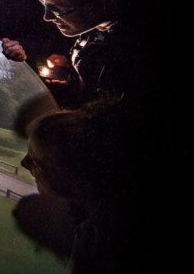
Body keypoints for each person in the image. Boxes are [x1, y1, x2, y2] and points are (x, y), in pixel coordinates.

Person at [1, 0, 147, 108]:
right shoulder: (96, 29)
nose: (47, 17)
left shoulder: (130, 61)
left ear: (109, 3)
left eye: (58, 9)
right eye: (43, 3)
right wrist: (67, 77)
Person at [14, 96, 148, 273]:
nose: (24, 163)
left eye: (37, 162)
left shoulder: (106, 242)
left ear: (78, 180)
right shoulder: (99, 220)